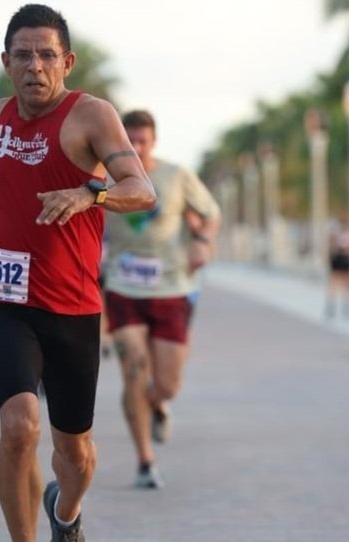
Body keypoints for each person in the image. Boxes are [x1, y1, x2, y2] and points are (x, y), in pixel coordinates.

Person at [0, 4, 155, 542]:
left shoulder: (90, 115)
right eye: (23, 54)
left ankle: (65, 514)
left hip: (72, 305)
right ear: (6, 62)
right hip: (5, 300)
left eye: (47, 54)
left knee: (77, 454)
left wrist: (88, 191)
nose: (35, 65)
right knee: (19, 427)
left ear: (66, 62)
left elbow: (140, 189)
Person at [104, 109, 220, 489]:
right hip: (123, 288)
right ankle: (145, 460)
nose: (136, 148)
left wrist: (202, 243)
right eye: (130, 141)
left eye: (143, 141)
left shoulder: (175, 175)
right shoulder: (105, 177)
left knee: (167, 383)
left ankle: (158, 403)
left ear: (154, 141)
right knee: (134, 369)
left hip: (172, 288)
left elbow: (209, 213)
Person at [325, 213, 349, 320]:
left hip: (340, 258)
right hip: (343, 258)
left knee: (338, 283)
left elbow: (331, 246)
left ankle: (337, 306)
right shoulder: (348, 234)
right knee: (343, 284)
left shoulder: (336, 233)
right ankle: (340, 306)